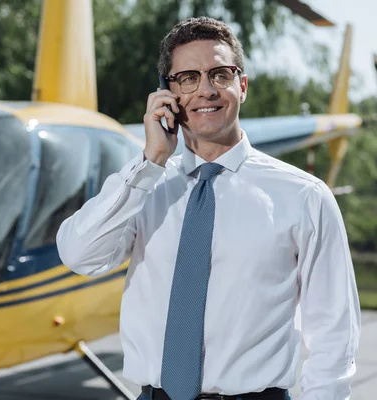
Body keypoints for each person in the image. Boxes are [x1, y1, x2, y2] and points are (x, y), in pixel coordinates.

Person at [56, 16, 360, 400]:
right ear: (167, 93)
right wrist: (150, 161)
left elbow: (334, 336)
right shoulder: (144, 187)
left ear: (242, 85)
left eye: (220, 75)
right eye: (188, 78)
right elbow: (79, 254)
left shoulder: (305, 197)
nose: (206, 91)